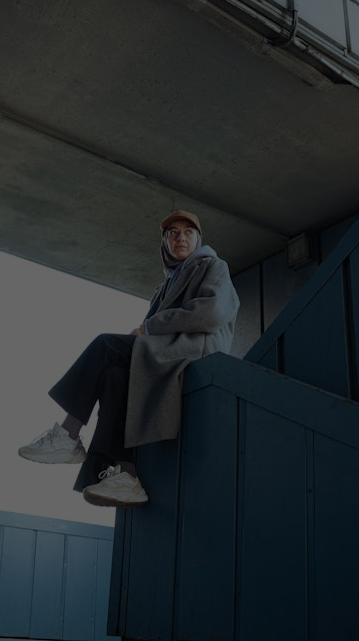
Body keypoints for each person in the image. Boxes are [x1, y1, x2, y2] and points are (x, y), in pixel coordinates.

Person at [18, 210, 240, 508]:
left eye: (188, 232)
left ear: (198, 240)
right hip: (166, 352)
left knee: (105, 345)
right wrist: (149, 331)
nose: (181, 238)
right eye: (173, 233)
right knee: (113, 375)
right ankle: (126, 474)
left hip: (196, 349)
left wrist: (149, 327)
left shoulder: (213, 266)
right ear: (165, 243)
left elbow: (210, 314)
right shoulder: (164, 286)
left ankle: (68, 434)